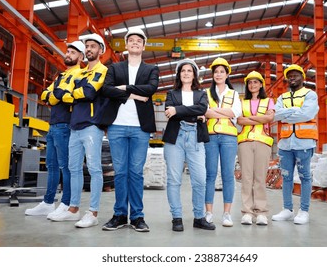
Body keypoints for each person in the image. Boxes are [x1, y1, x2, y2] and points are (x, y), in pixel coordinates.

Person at [100, 27, 159, 232]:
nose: (134, 43)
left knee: (135, 172)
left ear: (143, 46)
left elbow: (151, 89)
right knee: (121, 172)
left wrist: (124, 88)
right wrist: (134, 94)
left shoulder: (151, 69)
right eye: (131, 40)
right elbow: (106, 89)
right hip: (116, 125)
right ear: (126, 45)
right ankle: (119, 215)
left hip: (140, 128)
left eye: (138, 41)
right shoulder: (115, 68)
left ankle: (137, 216)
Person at [50, 33, 108, 228]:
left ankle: (92, 212)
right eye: (87, 46)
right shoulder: (80, 73)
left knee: (94, 169)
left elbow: (89, 92)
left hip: (92, 126)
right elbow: (58, 94)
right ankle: (73, 209)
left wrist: (71, 94)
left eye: (93, 46)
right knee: (74, 168)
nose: (89, 49)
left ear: (101, 50)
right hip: (74, 126)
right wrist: (74, 94)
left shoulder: (102, 70)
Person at [25, 41, 85, 218]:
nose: (68, 54)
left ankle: (66, 204)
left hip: (66, 125)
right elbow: (47, 96)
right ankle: (48, 202)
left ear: (80, 57)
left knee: (66, 167)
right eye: (67, 51)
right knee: (51, 165)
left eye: (72, 52)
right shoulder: (61, 76)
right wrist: (57, 94)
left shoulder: (80, 75)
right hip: (53, 126)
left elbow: (68, 97)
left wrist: (58, 94)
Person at [162, 58, 215, 232]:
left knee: (199, 179)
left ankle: (199, 217)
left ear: (194, 75)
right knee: (174, 180)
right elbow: (170, 112)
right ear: (179, 74)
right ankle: (176, 217)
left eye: (189, 71)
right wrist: (191, 111)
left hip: (195, 137)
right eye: (183, 70)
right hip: (175, 137)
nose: (186, 73)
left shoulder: (201, 94)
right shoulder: (171, 93)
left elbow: (202, 109)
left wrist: (178, 110)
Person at [271, 64, 319, 225]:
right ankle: (287, 210)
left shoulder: (310, 95)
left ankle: (304, 211)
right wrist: (294, 111)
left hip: (304, 142)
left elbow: (307, 113)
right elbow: (276, 115)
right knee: (286, 177)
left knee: (305, 177)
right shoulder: (281, 97)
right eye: (289, 75)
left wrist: (287, 113)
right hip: (285, 144)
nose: (292, 77)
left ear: (302, 77)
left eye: (295, 75)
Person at [204, 57, 241, 227]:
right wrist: (224, 112)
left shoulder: (233, 94)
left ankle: (227, 214)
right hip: (210, 136)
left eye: (221, 71)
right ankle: (209, 212)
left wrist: (214, 111)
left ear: (227, 74)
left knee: (228, 175)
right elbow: (204, 112)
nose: (218, 74)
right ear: (213, 75)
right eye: (216, 72)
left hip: (229, 137)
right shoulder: (206, 93)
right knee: (210, 175)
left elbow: (236, 113)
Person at [236, 71, 275, 225]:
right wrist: (259, 118)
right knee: (246, 178)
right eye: (250, 82)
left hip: (263, 142)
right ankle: (247, 212)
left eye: (255, 82)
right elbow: (239, 120)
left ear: (261, 84)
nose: (252, 85)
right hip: (245, 142)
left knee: (260, 178)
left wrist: (249, 118)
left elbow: (269, 118)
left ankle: (261, 213)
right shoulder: (242, 102)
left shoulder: (269, 101)